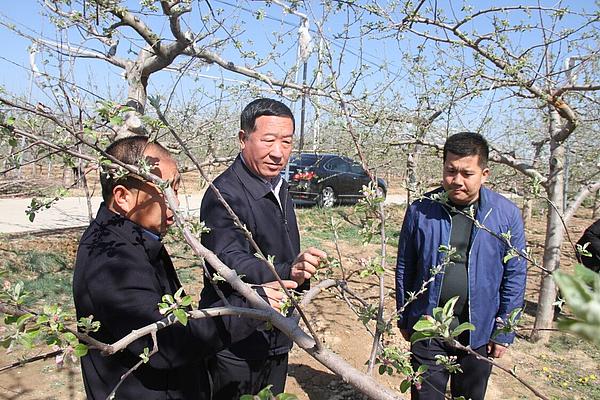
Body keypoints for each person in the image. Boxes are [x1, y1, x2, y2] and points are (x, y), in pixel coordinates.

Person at [73, 136, 296, 400]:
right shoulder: (112, 262)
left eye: (176, 190)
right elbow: (167, 342)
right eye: (165, 191)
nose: (175, 203)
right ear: (122, 197)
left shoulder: (134, 238)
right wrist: (251, 306)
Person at [200, 98, 327, 398]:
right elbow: (226, 259)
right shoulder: (225, 193)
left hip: (276, 328)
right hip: (237, 335)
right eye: (268, 140)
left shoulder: (279, 186)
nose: (278, 152)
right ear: (243, 139)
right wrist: (288, 271)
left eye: (287, 142)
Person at [395, 132, 527, 400]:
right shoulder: (422, 209)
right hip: (428, 326)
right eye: (450, 171)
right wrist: (404, 315)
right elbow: (405, 266)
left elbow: (514, 275)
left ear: (485, 173)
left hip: (478, 333)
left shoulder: (505, 215)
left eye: (467, 173)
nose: (456, 181)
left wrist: (503, 332)